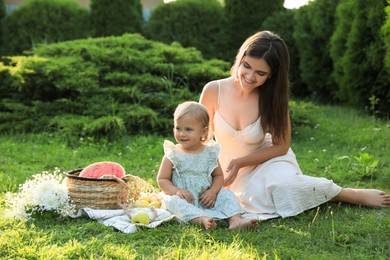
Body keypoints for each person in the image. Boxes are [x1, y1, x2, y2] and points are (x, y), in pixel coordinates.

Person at [199, 30, 390, 219]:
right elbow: (201, 140)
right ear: (240, 58)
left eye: (260, 73)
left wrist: (241, 162)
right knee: (242, 199)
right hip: (225, 168)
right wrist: (211, 173)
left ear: (272, 75)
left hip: (264, 162)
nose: (249, 76)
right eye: (246, 66)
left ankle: (346, 194)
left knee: (282, 187)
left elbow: (281, 146)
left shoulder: (273, 98)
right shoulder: (214, 90)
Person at [157, 101, 259, 230]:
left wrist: (213, 192)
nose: (181, 134)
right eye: (178, 128)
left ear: (203, 132)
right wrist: (177, 191)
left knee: (227, 195)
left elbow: (218, 175)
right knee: (173, 202)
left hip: (207, 198)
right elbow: (162, 179)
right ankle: (201, 219)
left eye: (188, 129)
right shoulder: (173, 154)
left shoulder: (209, 153)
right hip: (185, 198)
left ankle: (236, 220)